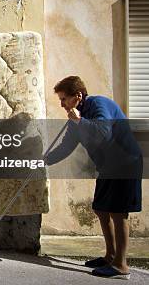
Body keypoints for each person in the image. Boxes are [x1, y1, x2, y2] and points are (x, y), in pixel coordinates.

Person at [46, 76, 143, 280]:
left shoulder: (99, 104)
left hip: (125, 162)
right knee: (100, 208)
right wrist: (44, 160)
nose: (62, 104)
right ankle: (110, 256)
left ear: (78, 96)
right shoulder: (76, 119)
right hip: (109, 166)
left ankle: (121, 265)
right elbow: (66, 147)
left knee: (118, 212)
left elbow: (103, 132)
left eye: (64, 99)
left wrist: (79, 120)